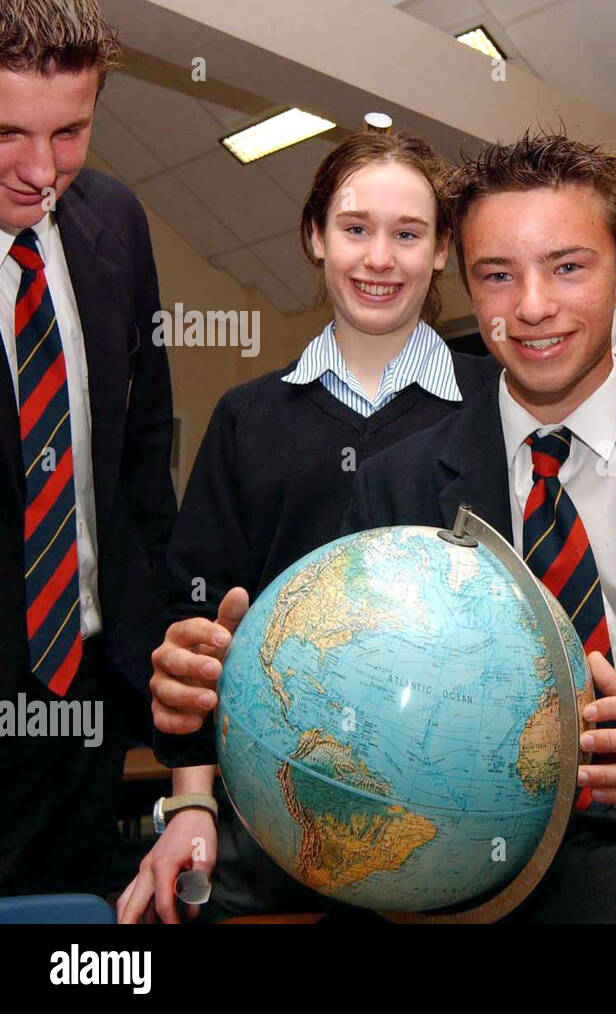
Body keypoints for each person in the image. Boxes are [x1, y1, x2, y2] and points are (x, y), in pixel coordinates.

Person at [146, 131, 616, 924]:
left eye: (568, 267)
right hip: (437, 851)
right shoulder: (401, 482)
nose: (532, 307)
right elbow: (347, 707)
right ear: (467, 288)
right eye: (498, 276)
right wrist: (223, 689)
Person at [118, 130, 496, 923]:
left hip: (463, 814)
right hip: (277, 805)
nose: (379, 258)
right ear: (314, 236)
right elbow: (194, 627)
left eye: (408, 234)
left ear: (441, 253)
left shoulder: (496, 407)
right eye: (356, 228)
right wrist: (191, 807)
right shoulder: (246, 420)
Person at [0, 0, 176, 896]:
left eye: (69, 130)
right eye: (6, 134)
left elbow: (145, 458)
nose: (41, 172)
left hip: (87, 689)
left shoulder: (116, 219)